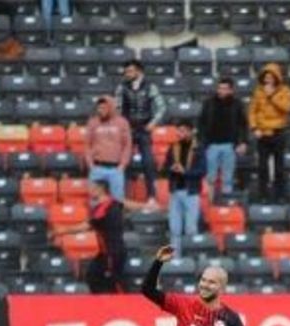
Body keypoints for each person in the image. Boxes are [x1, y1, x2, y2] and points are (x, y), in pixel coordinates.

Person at [114, 60, 167, 199]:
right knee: (125, 163)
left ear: (139, 71)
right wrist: (122, 126)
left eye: (130, 71)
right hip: (128, 129)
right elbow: (117, 108)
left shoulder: (150, 87)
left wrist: (153, 123)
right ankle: (123, 196)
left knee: (148, 163)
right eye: (126, 72)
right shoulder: (121, 87)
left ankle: (151, 196)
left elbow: (162, 107)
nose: (127, 74)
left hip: (144, 129)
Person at [249, 63, 290, 202]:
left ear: (276, 77)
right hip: (262, 134)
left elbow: (287, 108)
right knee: (262, 168)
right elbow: (252, 111)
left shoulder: (285, 91)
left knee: (279, 168)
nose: (267, 80)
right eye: (265, 77)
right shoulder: (258, 91)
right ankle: (263, 195)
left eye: (270, 77)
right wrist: (254, 128)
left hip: (278, 132)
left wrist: (272, 96)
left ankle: (279, 195)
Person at [197, 77, 249, 196]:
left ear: (231, 90)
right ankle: (210, 201)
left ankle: (226, 201)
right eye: (220, 88)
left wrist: (243, 142)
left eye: (225, 89)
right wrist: (202, 140)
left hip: (230, 145)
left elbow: (243, 124)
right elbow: (201, 123)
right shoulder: (208, 103)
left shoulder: (237, 104)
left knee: (228, 177)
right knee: (210, 176)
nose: (221, 91)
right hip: (212, 145)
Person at [73, 179, 126, 293]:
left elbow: (86, 226)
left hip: (111, 252)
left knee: (114, 283)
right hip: (105, 252)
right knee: (92, 277)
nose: (90, 191)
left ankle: (126, 307)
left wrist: (61, 231)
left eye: (92, 188)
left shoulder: (103, 207)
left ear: (101, 189)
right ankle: (103, 307)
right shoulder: (113, 203)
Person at [164, 120, 207, 252]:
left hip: (191, 191)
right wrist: (171, 168)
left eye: (182, 130)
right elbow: (164, 168)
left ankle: (191, 256)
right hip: (175, 190)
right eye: (178, 130)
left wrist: (185, 172)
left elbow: (202, 170)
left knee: (191, 228)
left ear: (190, 131)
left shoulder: (198, 148)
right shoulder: (173, 147)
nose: (180, 133)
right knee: (174, 228)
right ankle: (176, 259)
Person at [84, 96, 132, 202]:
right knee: (95, 202)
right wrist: (90, 164)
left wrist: (123, 165)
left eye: (104, 108)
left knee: (117, 202)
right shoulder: (92, 122)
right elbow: (87, 144)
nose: (100, 110)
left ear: (111, 108)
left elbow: (127, 145)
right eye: (99, 108)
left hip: (116, 169)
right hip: (97, 167)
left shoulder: (122, 123)